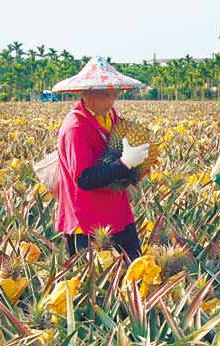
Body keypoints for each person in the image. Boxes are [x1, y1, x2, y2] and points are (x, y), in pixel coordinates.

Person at [52, 56, 149, 259]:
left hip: (118, 213)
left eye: (114, 94)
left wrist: (137, 165)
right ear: (86, 94)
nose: (111, 101)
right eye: (105, 95)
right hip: (87, 221)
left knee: (136, 271)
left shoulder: (110, 115)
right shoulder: (75, 128)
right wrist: (125, 163)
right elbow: (85, 179)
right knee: (96, 286)